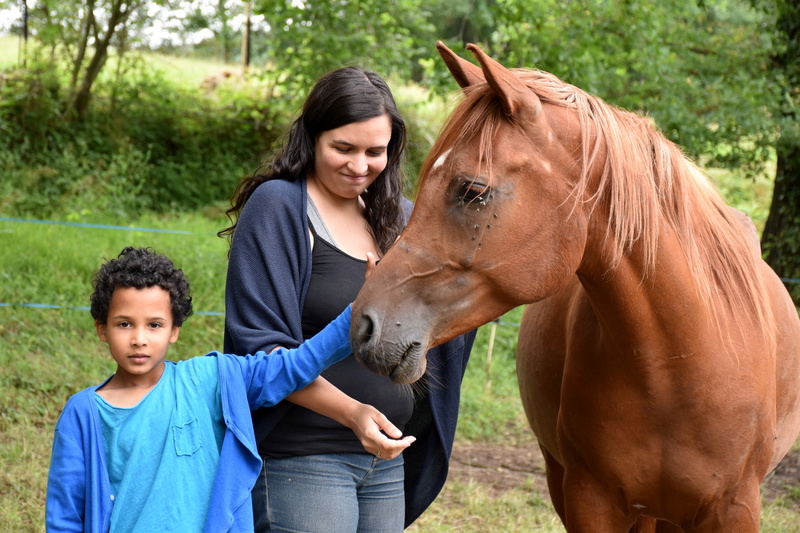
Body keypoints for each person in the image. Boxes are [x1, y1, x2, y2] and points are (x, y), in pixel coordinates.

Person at [219, 66, 476, 532]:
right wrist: (353, 413)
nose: (360, 166)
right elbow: (259, 351)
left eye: (375, 151)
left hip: (386, 459)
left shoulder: (400, 219)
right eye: (343, 148)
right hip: (302, 456)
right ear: (313, 137)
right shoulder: (279, 207)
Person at [44, 246, 359, 533]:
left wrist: (356, 313)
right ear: (102, 328)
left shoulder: (210, 380)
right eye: (124, 324)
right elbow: (65, 516)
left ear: (174, 330)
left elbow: (292, 367)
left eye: (154, 325)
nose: (139, 338)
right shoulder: (82, 413)